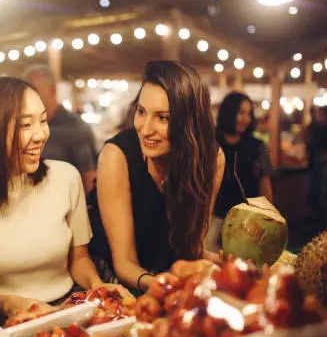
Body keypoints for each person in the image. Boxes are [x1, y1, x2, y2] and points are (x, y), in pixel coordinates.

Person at [0, 75, 128, 318]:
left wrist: (96, 286)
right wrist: (9, 304)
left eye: (43, 120)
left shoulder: (66, 178)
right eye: (25, 125)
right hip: (7, 321)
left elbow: (79, 259)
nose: (41, 135)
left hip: (68, 311)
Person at [87, 60, 225, 293]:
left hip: (169, 278)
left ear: (189, 122)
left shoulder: (211, 159)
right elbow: (124, 264)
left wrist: (228, 265)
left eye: (163, 118)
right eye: (141, 112)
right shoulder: (116, 156)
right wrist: (165, 286)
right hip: (113, 283)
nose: (145, 129)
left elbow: (192, 248)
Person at [206, 92, 273, 252]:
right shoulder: (210, 142)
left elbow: (265, 181)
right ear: (228, 112)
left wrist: (269, 215)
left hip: (248, 218)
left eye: (249, 114)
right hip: (214, 215)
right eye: (240, 113)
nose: (246, 118)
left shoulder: (258, 145)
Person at [23, 64, 97, 193]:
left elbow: (89, 175)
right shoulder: (22, 126)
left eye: (34, 90)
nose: (27, 97)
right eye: (25, 91)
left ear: (52, 90)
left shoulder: (75, 127)